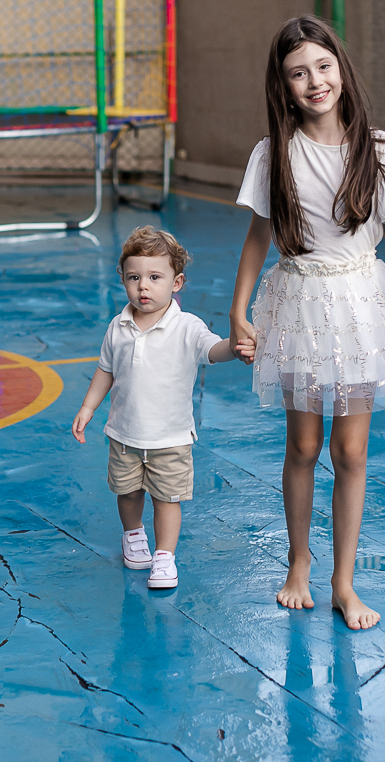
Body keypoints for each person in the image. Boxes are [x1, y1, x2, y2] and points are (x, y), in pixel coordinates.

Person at [228, 15, 385, 630]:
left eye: (322, 66)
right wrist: (238, 309)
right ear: (283, 85)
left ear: (340, 68)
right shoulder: (275, 152)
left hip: (363, 309)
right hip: (300, 305)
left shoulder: (382, 148)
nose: (314, 81)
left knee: (351, 451)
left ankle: (344, 583)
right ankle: (298, 565)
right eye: (298, 73)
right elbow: (258, 235)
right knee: (304, 444)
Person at [72, 227, 241, 589]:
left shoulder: (187, 326)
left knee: (167, 499)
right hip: (124, 433)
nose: (143, 287)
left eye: (154, 277)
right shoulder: (117, 326)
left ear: (177, 282)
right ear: (122, 278)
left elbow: (212, 350)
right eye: (134, 278)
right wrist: (88, 407)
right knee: (128, 492)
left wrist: (235, 346)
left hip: (171, 437)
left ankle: (164, 556)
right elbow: (105, 370)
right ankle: (133, 535)